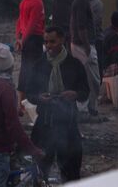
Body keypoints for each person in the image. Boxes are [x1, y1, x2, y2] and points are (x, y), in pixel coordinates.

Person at [26, 27, 89, 182]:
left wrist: (75, 94)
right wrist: (40, 98)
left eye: (52, 41)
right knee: (39, 168)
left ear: (62, 40)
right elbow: (30, 93)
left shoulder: (74, 64)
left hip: (68, 123)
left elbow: (85, 91)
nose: (48, 46)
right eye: (46, 42)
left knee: (71, 169)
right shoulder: (39, 64)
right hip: (44, 122)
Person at [0, 43, 43, 187]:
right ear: (10, 66)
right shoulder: (5, 89)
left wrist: (13, 109)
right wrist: (31, 149)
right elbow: (13, 125)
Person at [15, 0, 48, 107]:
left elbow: (20, 21)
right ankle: (33, 103)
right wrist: (23, 40)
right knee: (35, 71)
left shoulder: (25, 0)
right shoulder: (37, 2)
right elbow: (32, 24)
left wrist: (19, 38)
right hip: (34, 39)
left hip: (26, 39)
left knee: (25, 69)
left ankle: (21, 104)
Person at [70, 0, 101, 116]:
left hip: (81, 44)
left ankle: (89, 108)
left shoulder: (84, 0)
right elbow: (81, 27)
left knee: (86, 78)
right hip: (83, 45)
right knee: (93, 80)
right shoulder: (81, 2)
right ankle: (88, 109)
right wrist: (87, 47)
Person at [89, 0, 105, 76]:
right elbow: (95, 23)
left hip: (92, 39)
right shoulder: (97, 3)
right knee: (98, 68)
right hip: (95, 39)